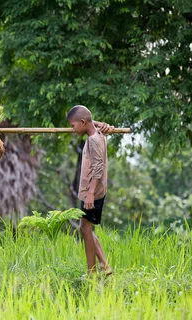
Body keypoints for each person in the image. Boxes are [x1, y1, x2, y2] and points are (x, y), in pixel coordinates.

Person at [67, 105, 113, 276]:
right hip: (93, 191)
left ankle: (92, 271)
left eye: (73, 126)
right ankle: (103, 265)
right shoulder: (98, 133)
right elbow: (92, 123)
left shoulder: (93, 140)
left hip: (92, 192)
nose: (72, 129)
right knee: (85, 228)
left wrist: (91, 194)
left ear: (83, 122)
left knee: (85, 230)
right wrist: (103, 124)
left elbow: (98, 168)